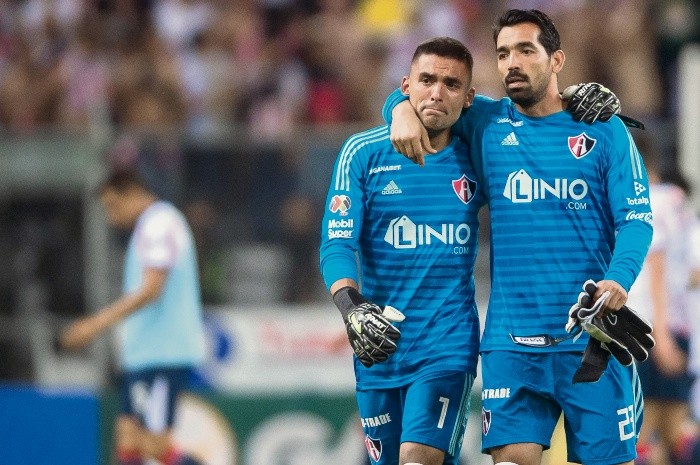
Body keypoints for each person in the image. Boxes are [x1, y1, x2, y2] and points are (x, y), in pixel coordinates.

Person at [383, 9, 653, 465]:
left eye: (526, 50)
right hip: (512, 344)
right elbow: (428, 93)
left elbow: (636, 219)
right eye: (503, 53)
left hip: (591, 338)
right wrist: (399, 108)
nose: (512, 62)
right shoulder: (485, 123)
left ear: (556, 60)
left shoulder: (603, 128)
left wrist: (618, 281)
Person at [320, 37, 485, 465]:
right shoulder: (362, 153)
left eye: (451, 84)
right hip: (378, 345)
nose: (437, 92)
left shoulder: (480, 156)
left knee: (417, 457)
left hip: (447, 344)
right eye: (426, 80)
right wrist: (352, 308)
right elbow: (337, 243)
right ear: (406, 86)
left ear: (468, 98)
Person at [60, 169, 206, 465]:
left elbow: (152, 289)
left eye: (113, 206)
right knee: (128, 443)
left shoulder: (158, 224)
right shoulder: (150, 226)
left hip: (162, 354)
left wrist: (94, 324)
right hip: (143, 354)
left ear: (134, 193)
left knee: (153, 444)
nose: (111, 217)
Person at [627, 138, 700, 465]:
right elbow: (689, 271)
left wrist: (661, 335)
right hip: (676, 325)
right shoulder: (677, 200)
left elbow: (656, 268)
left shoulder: (651, 201)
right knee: (674, 428)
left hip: (651, 328)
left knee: (643, 431)